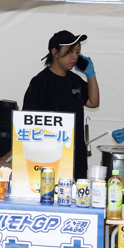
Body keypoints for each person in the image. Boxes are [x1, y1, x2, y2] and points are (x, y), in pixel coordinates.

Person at [22, 30, 100, 179]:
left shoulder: (74, 80)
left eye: (77, 52)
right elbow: (27, 121)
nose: (75, 56)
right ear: (55, 52)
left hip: (76, 156)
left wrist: (91, 75)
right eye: (70, 51)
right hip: (49, 156)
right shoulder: (40, 82)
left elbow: (93, 102)